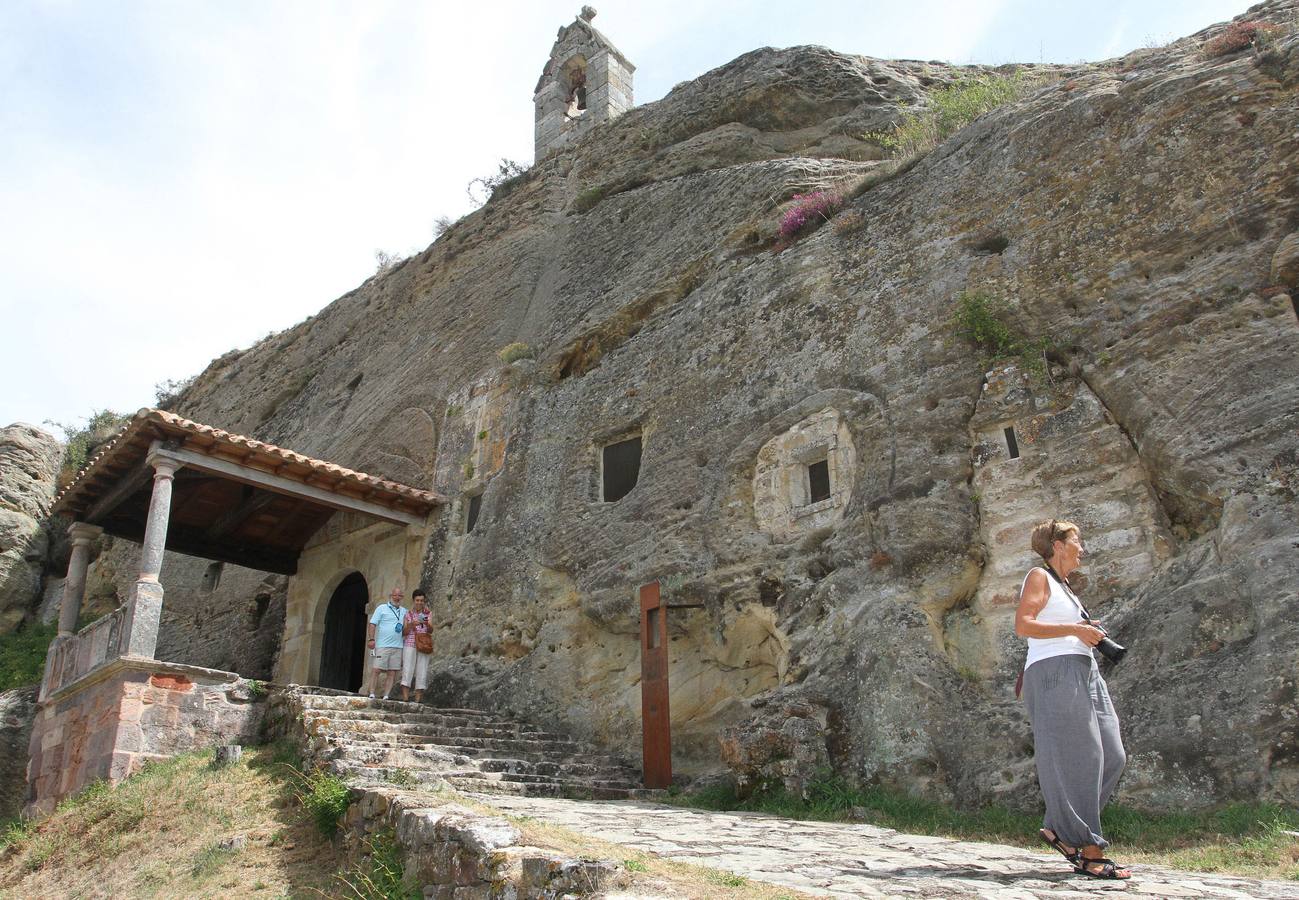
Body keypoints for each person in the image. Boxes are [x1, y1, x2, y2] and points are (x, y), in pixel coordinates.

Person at [1015, 519, 1131, 881]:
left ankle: (1061, 828)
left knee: (1112, 755)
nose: (1082, 548)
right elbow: (1024, 625)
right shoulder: (1039, 576)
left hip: (1084, 668)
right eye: (1077, 541)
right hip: (1054, 670)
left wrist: (1085, 629)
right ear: (1058, 545)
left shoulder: (1066, 589)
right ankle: (1090, 849)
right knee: (1085, 756)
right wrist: (1074, 629)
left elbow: (1058, 624)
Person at [366, 588, 406, 701]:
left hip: (398, 646)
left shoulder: (404, 611)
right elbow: (372, 624)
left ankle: (386, 695)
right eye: (395, 595)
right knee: (376, 669)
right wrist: (371, 639)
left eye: (399, 596)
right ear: (390, 595)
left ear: (402, 597)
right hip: (382, 646)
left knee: (392, 672)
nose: (397, 598)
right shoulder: (381, 608)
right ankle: (372, 693)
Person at [400, 589, 433, 703]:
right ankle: (405, 698)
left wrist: (426, 623)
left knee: (422, 670)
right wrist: (411, 624)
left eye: (422, 600)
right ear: (413, 600)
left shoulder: (428, 613)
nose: (419, 602)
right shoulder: (408, 614)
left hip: (423, 643)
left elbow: (431, 630)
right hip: (410, 643)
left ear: (424, 601)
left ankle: (418, 700)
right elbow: (403, 632)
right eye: (417, 600)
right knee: (407, 669)